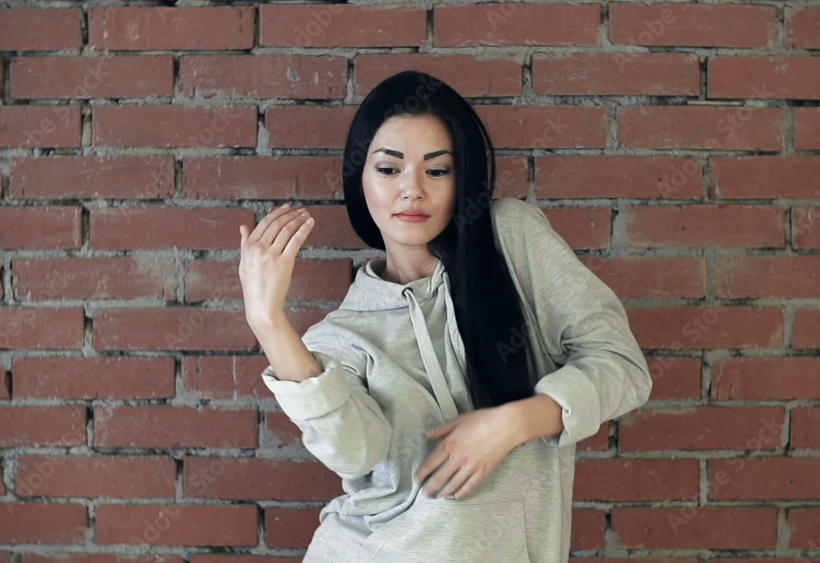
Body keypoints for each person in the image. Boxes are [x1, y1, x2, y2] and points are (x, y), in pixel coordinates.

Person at [238, 71, 652, 563]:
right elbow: (355, 453)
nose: (411, 190)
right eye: (389, 169)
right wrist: (268, 321)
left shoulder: (510, 239)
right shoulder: (339, 338)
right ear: (359, 179)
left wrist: (514, 423)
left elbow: (623, 368)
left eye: (436, 171)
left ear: (462, 179)